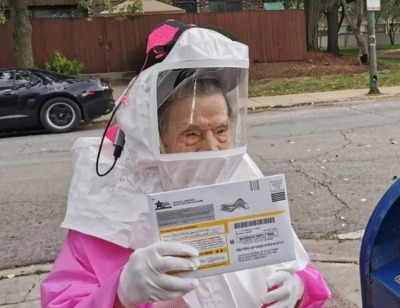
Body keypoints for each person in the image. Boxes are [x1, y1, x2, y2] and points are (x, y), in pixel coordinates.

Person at [40, 23, 331, 308]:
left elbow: (300, 269)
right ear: (153, 137)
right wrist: (120, 293)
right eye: (191, 134)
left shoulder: (240, 177)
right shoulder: (106, 210)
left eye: (221, 130)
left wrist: (300, 288)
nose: (212, 147)